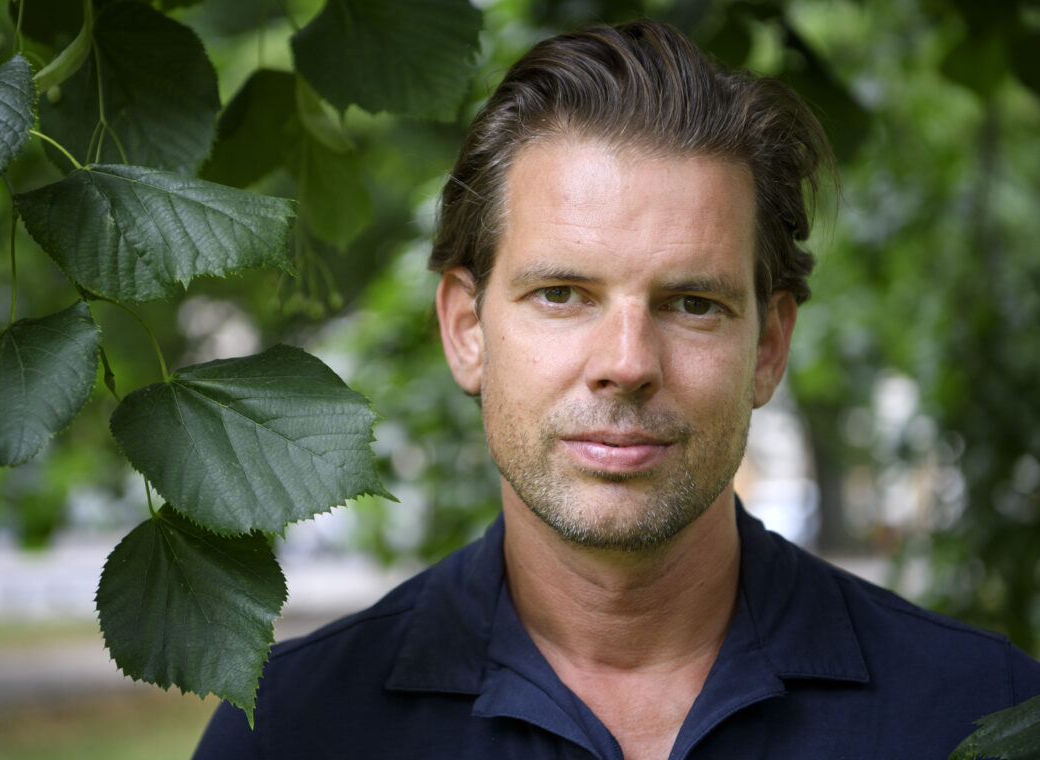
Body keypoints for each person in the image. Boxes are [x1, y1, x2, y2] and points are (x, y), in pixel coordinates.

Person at [193, 19, 1040, 759]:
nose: (628, 363)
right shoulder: (293, 732)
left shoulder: (981, 714)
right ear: (466, 329)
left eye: (693, 304)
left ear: (769, 346)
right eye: (562, 294)